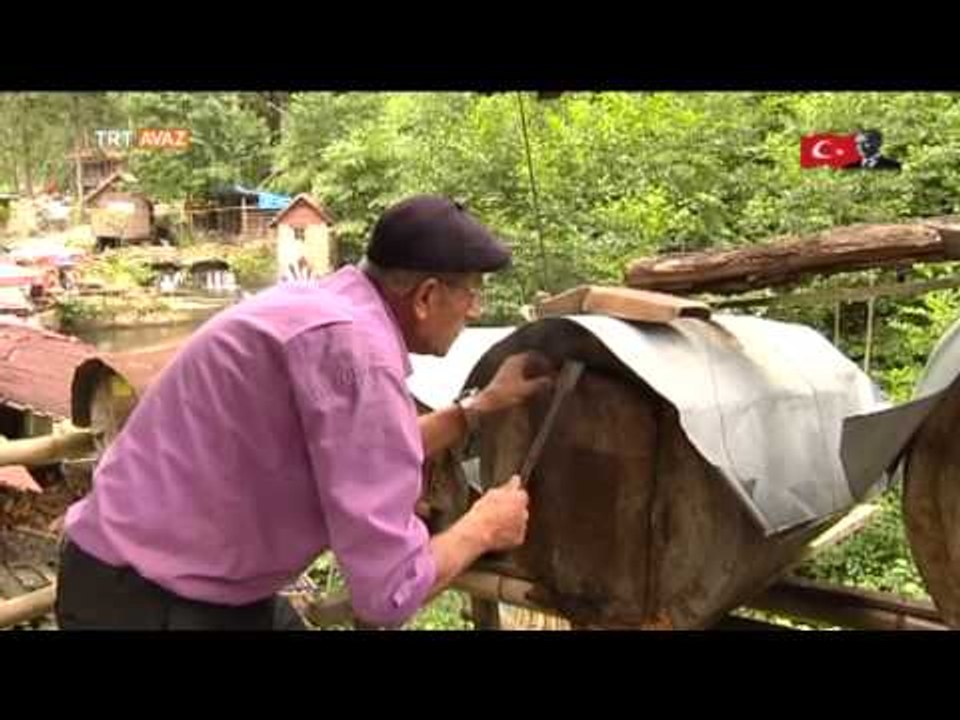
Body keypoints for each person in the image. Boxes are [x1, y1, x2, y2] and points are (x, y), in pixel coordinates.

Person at [55, 195, 555, 630]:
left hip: (138, 573)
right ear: (425, 297)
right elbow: (388, 592)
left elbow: (367, 451)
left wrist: (478, 408)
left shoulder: (323, 307)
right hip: (149, 602)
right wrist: (483, 526)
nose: (475, 308)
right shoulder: (357, 356)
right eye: (470, 292)